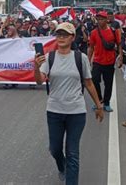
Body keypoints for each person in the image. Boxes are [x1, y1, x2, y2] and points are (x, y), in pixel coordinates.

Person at [35, 22, 104, 185]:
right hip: (54, 111)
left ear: (72, 38)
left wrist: (98, 106)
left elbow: (88, 83)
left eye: (65, 35)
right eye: (58, 34)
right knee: (55, 149)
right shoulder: (49, 57)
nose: (61, 38)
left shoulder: (81, 58)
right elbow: (39, 81)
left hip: (76, 112)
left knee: (72, 153)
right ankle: (62, 166)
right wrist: (35, 66)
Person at [88, 11, 123, 112]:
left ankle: (107, 102)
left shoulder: (113, 31)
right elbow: (91, 47)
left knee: (109, 83)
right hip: (97, 61)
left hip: (109, 61)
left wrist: (120, 57)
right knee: (94, 80)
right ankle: (98, 99)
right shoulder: (94, 32)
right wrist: (88, 60)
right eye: (98, 19)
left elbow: (119, 44)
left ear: (106, 20)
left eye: (102, 19)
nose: (100, 21)